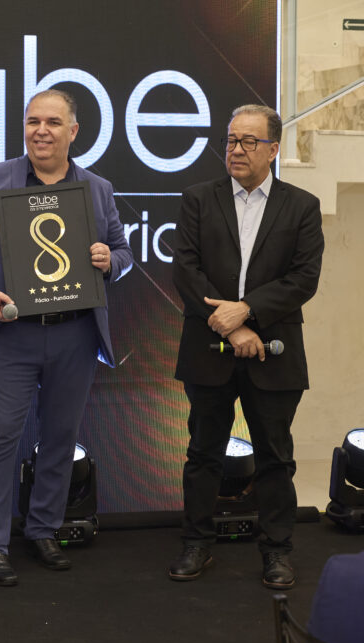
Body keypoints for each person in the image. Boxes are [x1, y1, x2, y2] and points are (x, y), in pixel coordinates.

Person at [0, 89, 133, 586]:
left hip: (74, 334)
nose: (41, 131)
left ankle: (43, 529)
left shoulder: (97, 189)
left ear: (74, 131)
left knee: (60, 438)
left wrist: (108, 260)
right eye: (32, 122)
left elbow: (122, 251)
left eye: (52, 122)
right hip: (11, 333)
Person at [168, 104, 323, 589]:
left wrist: (249, 310)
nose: (236, 149)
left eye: (249, 141)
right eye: (232, 140)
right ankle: (197, 543)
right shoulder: (198, 199)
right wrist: (233, 328)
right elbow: (185, 270)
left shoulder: (301, 206)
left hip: (274, 350)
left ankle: (277, 551)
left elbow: (303, 279)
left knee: (275, 458)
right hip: (208, 348)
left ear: (274, 149)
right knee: (203, 453)